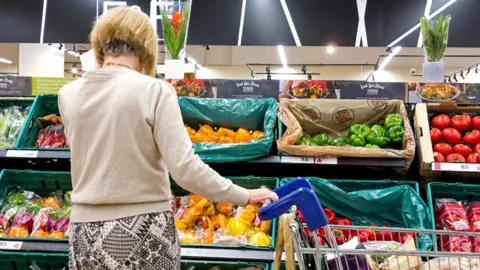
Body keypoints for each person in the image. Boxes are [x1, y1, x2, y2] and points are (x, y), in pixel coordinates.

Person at [58, 7, 278, 270]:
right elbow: (185, 170)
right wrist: (244, 195)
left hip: (84, 234)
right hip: (142, 231)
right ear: (146, 47)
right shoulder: (155, 91)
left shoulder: (68, 94)